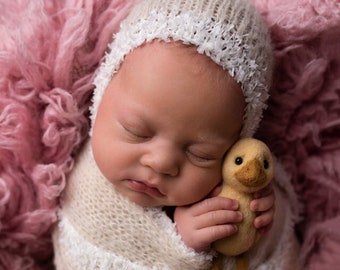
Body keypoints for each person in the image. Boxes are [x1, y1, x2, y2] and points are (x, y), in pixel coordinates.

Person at [52, 0, 300, 269]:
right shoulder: (86, 187)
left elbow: (273, 253)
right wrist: (178, 246)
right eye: (137, 132)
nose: (161, 163)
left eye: (200, 154)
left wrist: (256, 220)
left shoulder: (224, 192)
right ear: (101, 97)